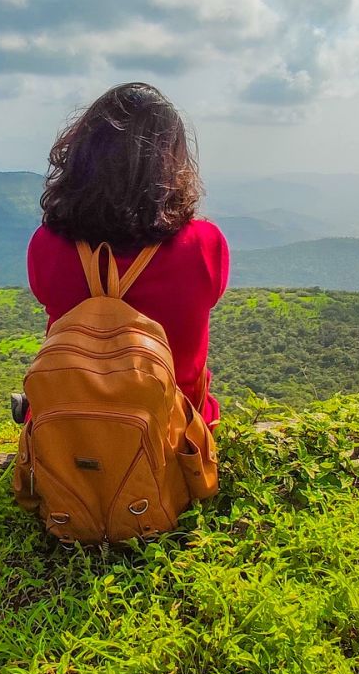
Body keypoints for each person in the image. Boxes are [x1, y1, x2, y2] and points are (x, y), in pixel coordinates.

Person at [25, 82, 229, 425]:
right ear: (172, 162)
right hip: (171, 438)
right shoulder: (203, 244)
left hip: (67, 434)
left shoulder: (48, 244)